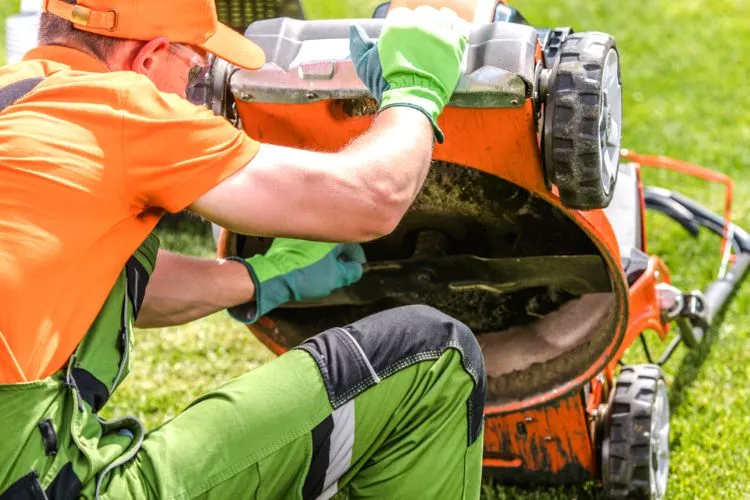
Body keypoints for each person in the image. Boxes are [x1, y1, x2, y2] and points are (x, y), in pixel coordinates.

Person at [0, 0, 487, 498]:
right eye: (193, 66)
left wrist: (261, 276)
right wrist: (415, 92)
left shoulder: (18, 105)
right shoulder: (118, 106)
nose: (193, 92)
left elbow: (102, 283)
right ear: (148, 58)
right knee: (433, 356)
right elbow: (373, 196)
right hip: (28, 479)